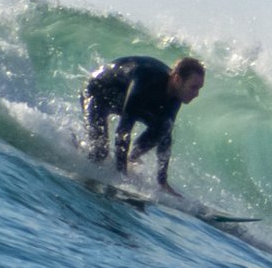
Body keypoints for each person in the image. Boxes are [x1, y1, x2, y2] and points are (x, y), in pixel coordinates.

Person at [83, 54, 205, 189]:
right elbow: (123, 130)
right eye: (193, 87)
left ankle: (131, 159)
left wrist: (162, 180)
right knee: (99, 153)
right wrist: (121, 176)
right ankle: (78, 150)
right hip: (98, 92)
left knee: (164, 128)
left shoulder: (176, 96)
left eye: (199, 88)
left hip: (120, 99)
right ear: (177, 79)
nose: (196, 94)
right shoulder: (147, 80)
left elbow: (166, 139)